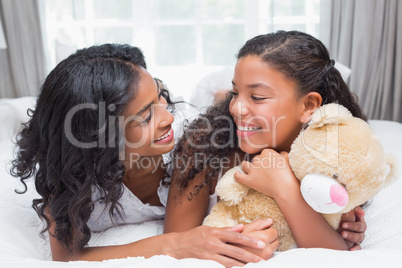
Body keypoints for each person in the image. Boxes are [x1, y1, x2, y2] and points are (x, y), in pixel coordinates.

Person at [10, 44, 279, 267]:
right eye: (147, 115)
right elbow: (67, 255)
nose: (168, 117)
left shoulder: (192, 142)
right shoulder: (70, 180)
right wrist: (171, 245)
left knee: (218, 106)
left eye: (160, 98)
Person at [164, 30, 367, 251]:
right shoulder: (204, 146)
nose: (236, 108)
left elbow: (335, 253)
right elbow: (176, 243)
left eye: (257, 97)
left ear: (308, 106)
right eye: (234, 93)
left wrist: (284, 188)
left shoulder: (337, 155)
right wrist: (236, 241)